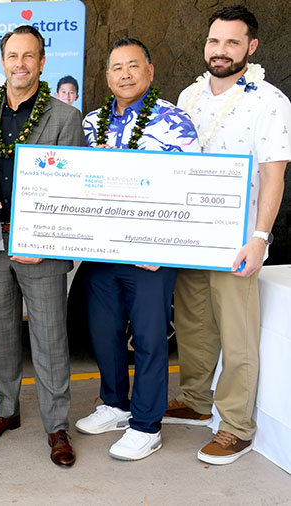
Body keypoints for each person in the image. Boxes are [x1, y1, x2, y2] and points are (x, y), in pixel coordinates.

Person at [165, 5, 291, 465]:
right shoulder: (188, 96)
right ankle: (196, 401)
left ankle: (236, 426)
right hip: (192, 235)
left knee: (238, 336)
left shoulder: (270, 101)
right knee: (194, 325)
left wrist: (260, 237)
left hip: (237, 239)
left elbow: (273, 176)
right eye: (214, 41)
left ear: (251, 47)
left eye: (232, 43)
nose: (221, 51)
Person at [0, 25, 84, 467]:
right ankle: (5, 411)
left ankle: (57, 426)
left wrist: (45, 240)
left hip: (41, 248)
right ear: (3, 61)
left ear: (42, 62)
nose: (20, 64)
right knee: (0, 331)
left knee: (50, 338)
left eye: (29, 56)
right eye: (13, 56)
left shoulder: (65, 118)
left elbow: (70, 190)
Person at [77, 38, 199, 461]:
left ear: (150, 71)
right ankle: (114, 404)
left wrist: (164, 245)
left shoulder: (175, 122)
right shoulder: (90, 124)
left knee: (149, 338)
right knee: (103, 333)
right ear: (107, 76)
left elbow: (188, 185)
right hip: (101, 253)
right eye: (116, 68)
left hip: (151, 255)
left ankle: (146, 425)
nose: (124, 74)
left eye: (133, 66)